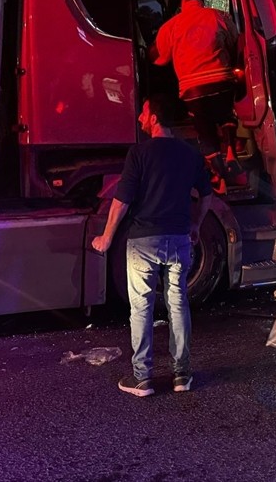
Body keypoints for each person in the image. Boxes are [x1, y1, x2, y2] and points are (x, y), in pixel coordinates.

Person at [91, 95, 214, 396]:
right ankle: (182, 375)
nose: (140, 118)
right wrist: (196, 225)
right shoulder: (190, 154)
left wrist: (106, 238)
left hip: (143, 240)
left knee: (142, 307)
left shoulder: (140, 153)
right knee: (178, 303)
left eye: (144, 113)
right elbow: (207, 195)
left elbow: (122, 200)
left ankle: (142, 377)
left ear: (155, 118)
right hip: (178, 239)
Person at [148, 0, 243, 186]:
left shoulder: (171, 26)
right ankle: (231, 152)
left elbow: (160, 58)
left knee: (204, 129)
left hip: (193, 89)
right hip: (222, 80)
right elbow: (234, 42)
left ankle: (220, 176)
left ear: (181, 1)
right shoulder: (218, 16)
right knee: (227, 114)